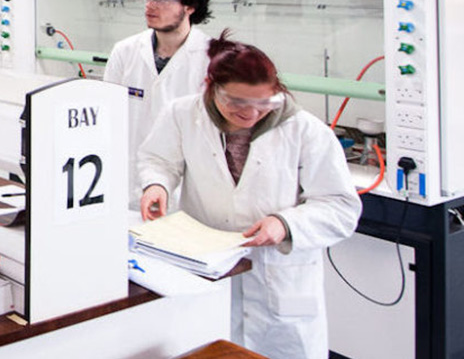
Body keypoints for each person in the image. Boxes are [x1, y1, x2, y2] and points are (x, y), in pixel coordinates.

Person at [137, 30, 362, 359]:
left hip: (277, 280)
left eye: (263, 103)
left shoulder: (306, 130)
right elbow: (159, 160)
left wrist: (284, 224)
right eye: (236, 102)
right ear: (211, 86)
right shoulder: (183, 114)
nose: (250, 113)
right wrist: (156, 184)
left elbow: (341, 207)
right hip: (206, 269)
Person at [103, 0, 212, 207]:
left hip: (185, 190)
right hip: (126, 183)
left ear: (190, 6)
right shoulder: (125, 51)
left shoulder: (211, 59)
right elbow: (107, 116)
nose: (150, 5)